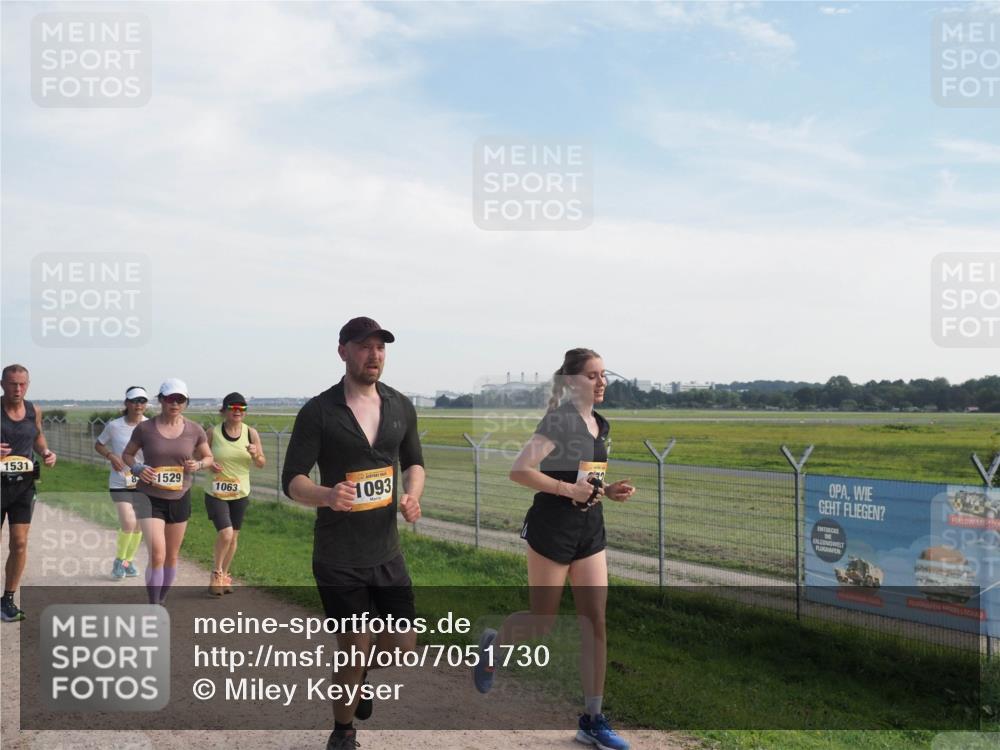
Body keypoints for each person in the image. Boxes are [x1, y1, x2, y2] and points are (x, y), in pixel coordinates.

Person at [472, 348, 636, 750]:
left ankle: (592, 720)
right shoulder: (559, 420)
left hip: (590, 531)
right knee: (542, 620)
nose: (601, 382)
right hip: (552, 529)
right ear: (571, 382)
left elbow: (586, 478)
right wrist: (568, 490)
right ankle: (495, 645)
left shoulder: (601, 424)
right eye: (593, 376)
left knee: (595, 621)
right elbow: (519, 470)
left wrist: (607, 491)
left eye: (604, 375)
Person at [282, 317, 424, 750]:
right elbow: (292, 480)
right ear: (343, 351)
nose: (374, 355)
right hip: (338, 556)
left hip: (386, 552)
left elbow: (414, 463)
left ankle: (356, 676)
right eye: (364, 346)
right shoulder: (319, 411)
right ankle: (343, 732)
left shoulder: (400, 406)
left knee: (403, 646)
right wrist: (326, 495)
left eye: (380, 347)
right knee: (355, 645)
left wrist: (412, 495)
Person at [122, 378, 212, 605]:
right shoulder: (145, 428)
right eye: (170, 398)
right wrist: (138, 468)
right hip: (150, 497)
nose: (175, 403)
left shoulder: (195, 430)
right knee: (158, 554)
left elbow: (208, 457)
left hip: (180, 497)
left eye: (180, 399)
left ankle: (161, 598)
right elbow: (127, 455)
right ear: (161, 400)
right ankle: (153, 604)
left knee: (171, 556)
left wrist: (198, 464)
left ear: (186, 402)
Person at [1, 364, 57, 622]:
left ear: (28, 384)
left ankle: (7, 599)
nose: (18, 388)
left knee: (20, 542)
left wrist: (45, 452)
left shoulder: (33, 410)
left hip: (23, 485)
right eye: (12, 383)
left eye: (22, 384)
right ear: (2, 384)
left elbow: (38, 436)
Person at [205, 392, 265, 596]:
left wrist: (255, 454)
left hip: (240, 493)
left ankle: (224, 575)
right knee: (226, 533)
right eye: (233, 407)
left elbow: (261, 463)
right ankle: (216, 573)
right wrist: (209, 464)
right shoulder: (213, 432)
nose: (238, 411)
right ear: (224, 410)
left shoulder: (251, 433)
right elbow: (199, 455)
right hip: (216, 492)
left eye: (242, 408)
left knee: (233, 538)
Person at [94, 386, 149, 580]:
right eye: (134, 401)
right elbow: (99, 444)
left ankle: (128, 562)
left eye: (142, 401)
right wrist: (110, 456)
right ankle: (119, 561)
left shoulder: (151, 426)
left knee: (139, 526)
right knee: (129, 522)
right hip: (120, 482)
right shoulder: (114, 426)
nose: (138, 405)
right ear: (126, 403)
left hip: (144, 483)